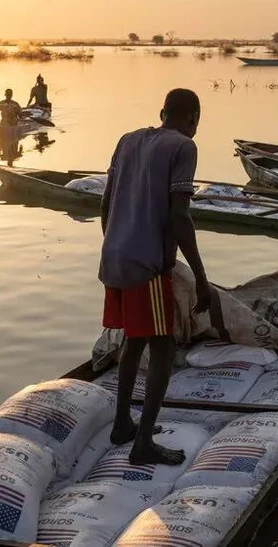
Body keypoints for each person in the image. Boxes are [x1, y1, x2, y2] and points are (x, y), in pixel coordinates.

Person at [99, 88, 212, 465]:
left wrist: (116, 242)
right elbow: (179, 216)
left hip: (115, 256)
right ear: (195, 118)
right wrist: (201, 276)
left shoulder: (127, 140)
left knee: (135, 338)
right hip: (147, 264)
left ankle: (122, 424)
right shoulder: (184, 147)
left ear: (162, 111)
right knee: (163, 346)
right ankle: (143, 442)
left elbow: (105, 201)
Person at [0, 89, 22, 165]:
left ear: (11, 95)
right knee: (1, 129)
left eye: (9, 95)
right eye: (7, 95)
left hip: (12, 126)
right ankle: (2, 141)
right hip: (4, 125)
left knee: (10, 139)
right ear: (5, 95)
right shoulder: (1, 103)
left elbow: (20, 115)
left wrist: (17, 113)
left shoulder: (15, 104)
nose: (8, 96)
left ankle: (4, 142)